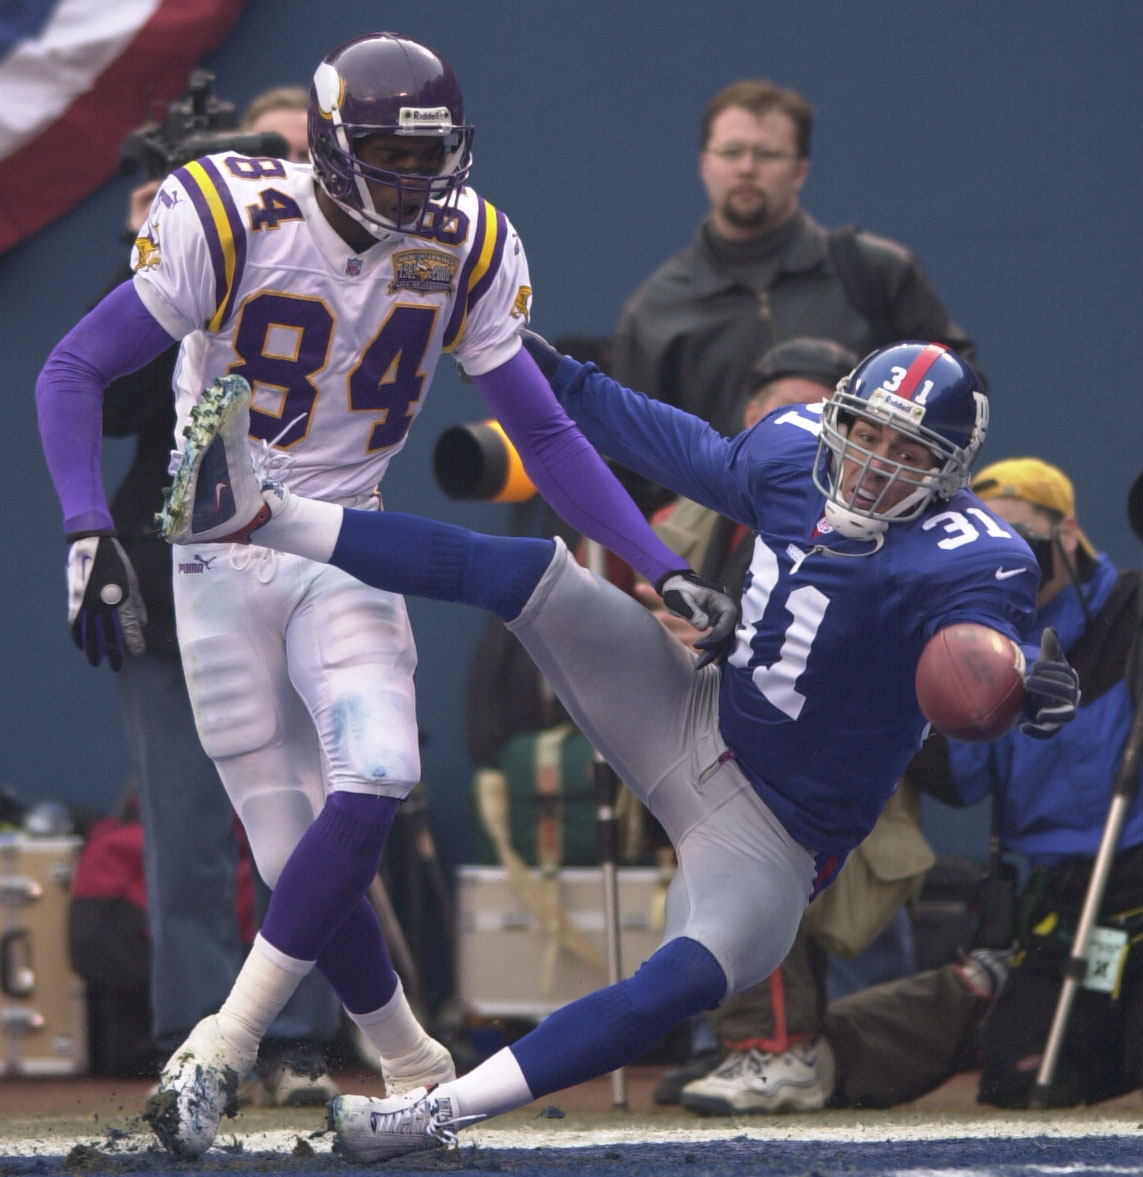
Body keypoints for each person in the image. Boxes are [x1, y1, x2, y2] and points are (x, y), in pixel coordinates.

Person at [35, 33, 724, 1159]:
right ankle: (413, 1066)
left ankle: (220, 1044)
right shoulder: (228, 211)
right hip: (210, 557)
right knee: (290, 848)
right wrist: (83, 529)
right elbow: (71, 368)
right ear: (329, 144)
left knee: (383, 772)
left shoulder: (467, 241)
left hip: (343, 538)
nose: (414, 187)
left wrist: (657, 557)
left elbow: (542, 426)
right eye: (389, 160)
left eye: (429, 161)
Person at [156, 334, 1079, 1160]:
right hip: (692, 713)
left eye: (907, 451)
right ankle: (257, 512)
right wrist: (530, 360)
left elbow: (983, 660)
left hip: (777, 833)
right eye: (867, 434)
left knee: (680, 978)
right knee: (532, 573)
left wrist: (1018, 689)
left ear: (949, 471)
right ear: (838, 416)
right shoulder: (794, 449)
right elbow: (664, 440)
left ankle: (435, 1108)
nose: (875, 465)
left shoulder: (972, 556)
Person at [97, 85, 342, 1104]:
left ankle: (296, 1040)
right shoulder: (194, 251)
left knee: (306, 822)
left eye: (290, 151)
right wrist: (150, 245)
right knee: (187, 833)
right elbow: (114, 400)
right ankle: (199, 1043)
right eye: (257, 152)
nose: (272, 171)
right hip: (172, 579)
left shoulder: (350, 267)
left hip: (301, 572)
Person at [629, 337, 934, 1113]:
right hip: (717, 750)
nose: (804, 427)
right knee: (728, 901)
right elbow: (628, 594)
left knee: (849, 951)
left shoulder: (899, 521)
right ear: (751, 418)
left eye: (821, 411)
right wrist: (652, 627)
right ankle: (751, 1049)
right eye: (784, 410)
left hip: (846, 771)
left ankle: (791, 1056)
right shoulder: (684, 516)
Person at [804, 457, 1143, 1110]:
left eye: (1023, 533)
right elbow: (958, 778)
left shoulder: (1129, 612)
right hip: (1058, 907)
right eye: (992, 534)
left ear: (1066, 532)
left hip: (1131, 874)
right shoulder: (979, 641)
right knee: (1016, 1078)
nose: (1012, 551)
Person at [610, 78, 979, 514]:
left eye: (766, 154)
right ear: (704, 164)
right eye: (731, 152)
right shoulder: (656, 310)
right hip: (720, 546)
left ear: (801, 169)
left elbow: (959, 402)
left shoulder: (874, 273)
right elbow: (631, 462)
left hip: (875, 531)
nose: (747, 168)